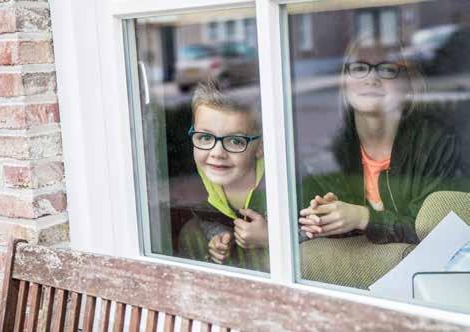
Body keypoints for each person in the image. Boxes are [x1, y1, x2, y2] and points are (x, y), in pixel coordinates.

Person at [299, 35, 459, 244]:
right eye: (358, 68)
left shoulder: (438, 144)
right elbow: (299, 229)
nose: (371, 78)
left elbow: (439, 231)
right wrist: (325, 220)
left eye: (387, 69)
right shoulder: (326, 153)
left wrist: (363, 217)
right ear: (344, 82)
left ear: (410, 84)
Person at [178, 80, 269, 272]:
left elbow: (315, 227)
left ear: (259, 147)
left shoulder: (278, 186)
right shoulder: (201, 189)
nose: (217, 152)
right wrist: (219, 237)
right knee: (191, 232)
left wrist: (271, 238)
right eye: (205, 137)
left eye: (235, 141)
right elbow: (208, 219)